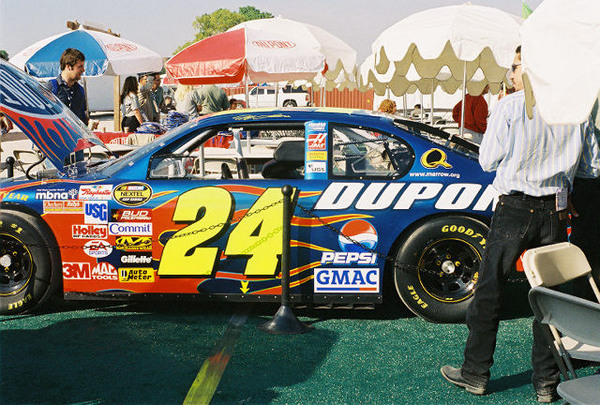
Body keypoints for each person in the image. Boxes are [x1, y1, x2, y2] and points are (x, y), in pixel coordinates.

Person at [440, 46, 600, 403]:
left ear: (527, 70)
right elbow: (592, 168)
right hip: (555, 210)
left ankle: (475, 372)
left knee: (490, 291)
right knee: (550, 298)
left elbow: (488, 160)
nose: (510, 72)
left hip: (514, 207)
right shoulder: (577, 110)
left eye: (514, 66)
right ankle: (546, 381)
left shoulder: (509, 107)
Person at [570, 97, 600, 292]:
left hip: (587, 182)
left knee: (588, 247)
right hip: (587, 183)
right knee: (588, 248)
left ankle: (586, 295)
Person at [45, 48, 96, 128]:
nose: (83, 70)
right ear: (69, 67)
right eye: (80, 66)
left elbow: (82, 118)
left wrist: (89, 123)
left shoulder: (80, 90)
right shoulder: (52, 87)